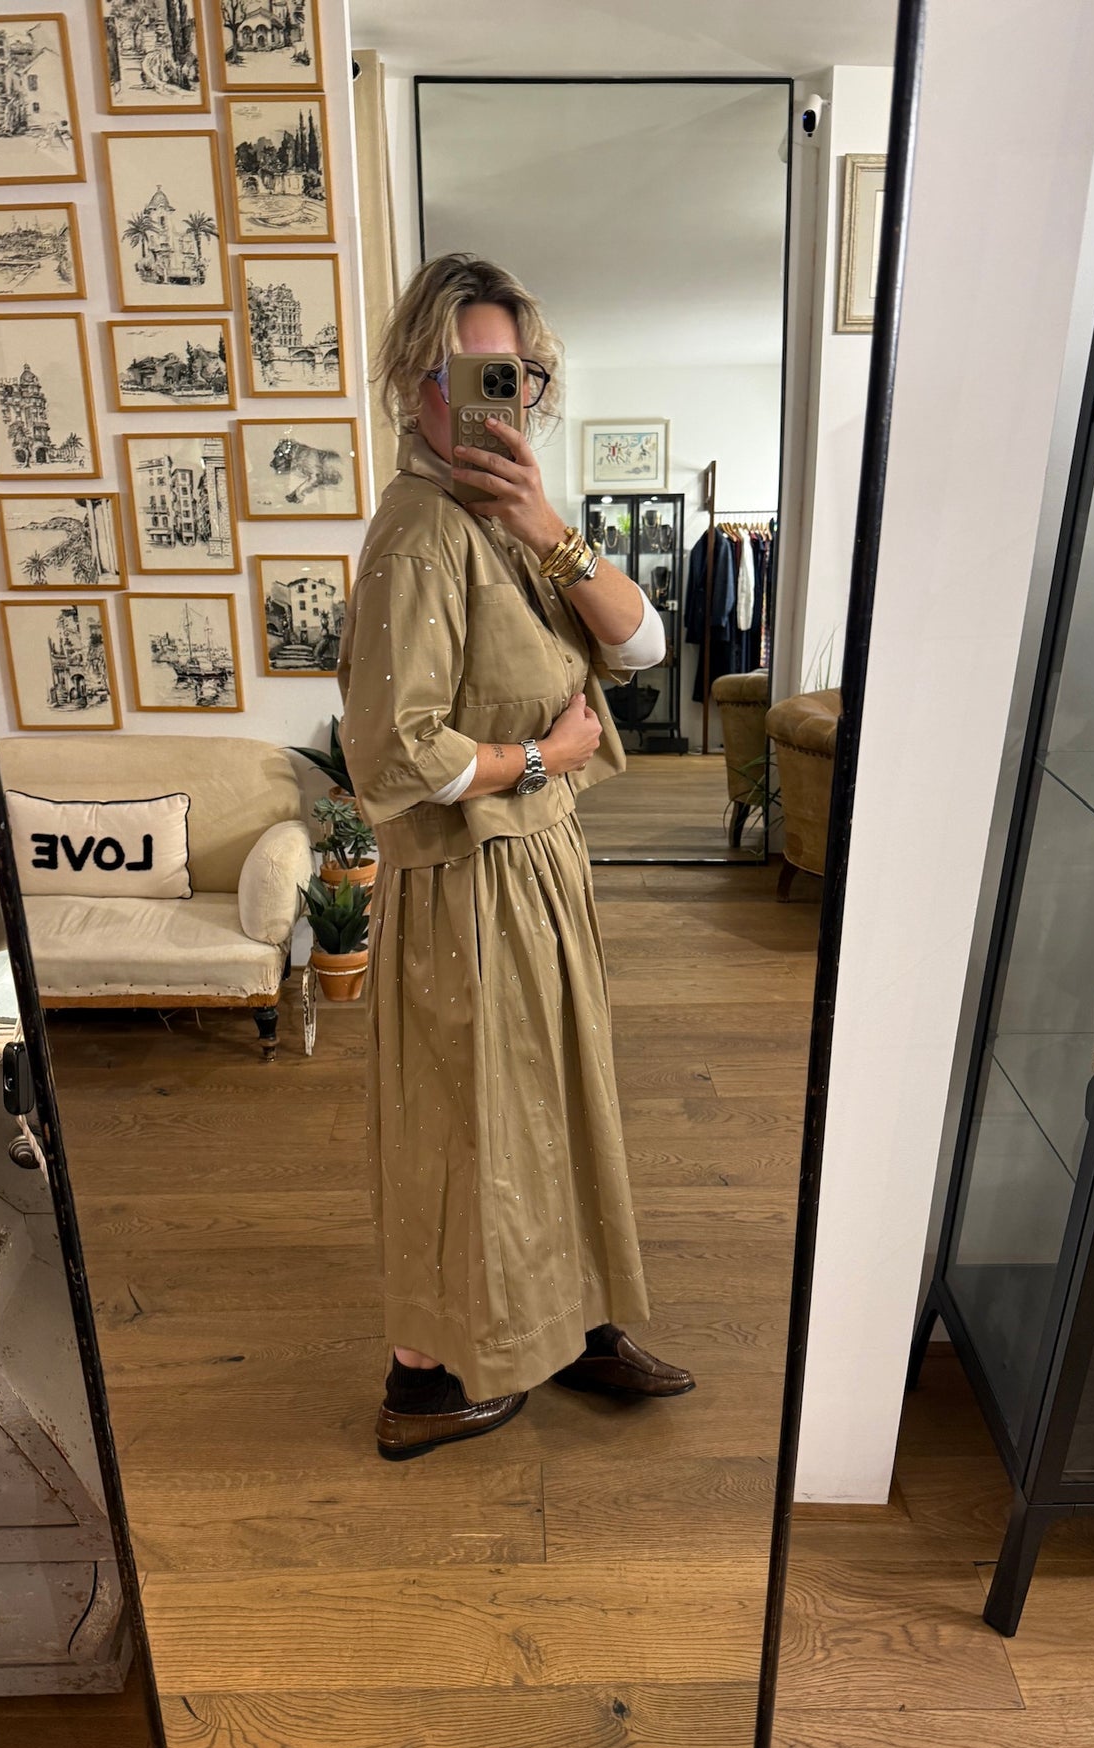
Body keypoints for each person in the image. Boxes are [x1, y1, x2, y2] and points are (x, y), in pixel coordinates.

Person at [339, 253, 694, 1461]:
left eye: (522, 374)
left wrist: (548, 525)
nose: (509, 400)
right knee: (467, 1126)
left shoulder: (509, 522)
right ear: (416, 383)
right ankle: (426, 1381)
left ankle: (573, 1321)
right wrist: (544, 758)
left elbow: (643, 645)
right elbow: (396, 751)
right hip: (468, 884)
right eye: (476, 374)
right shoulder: (420, 535)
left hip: (536, 868)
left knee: (559, 1101)